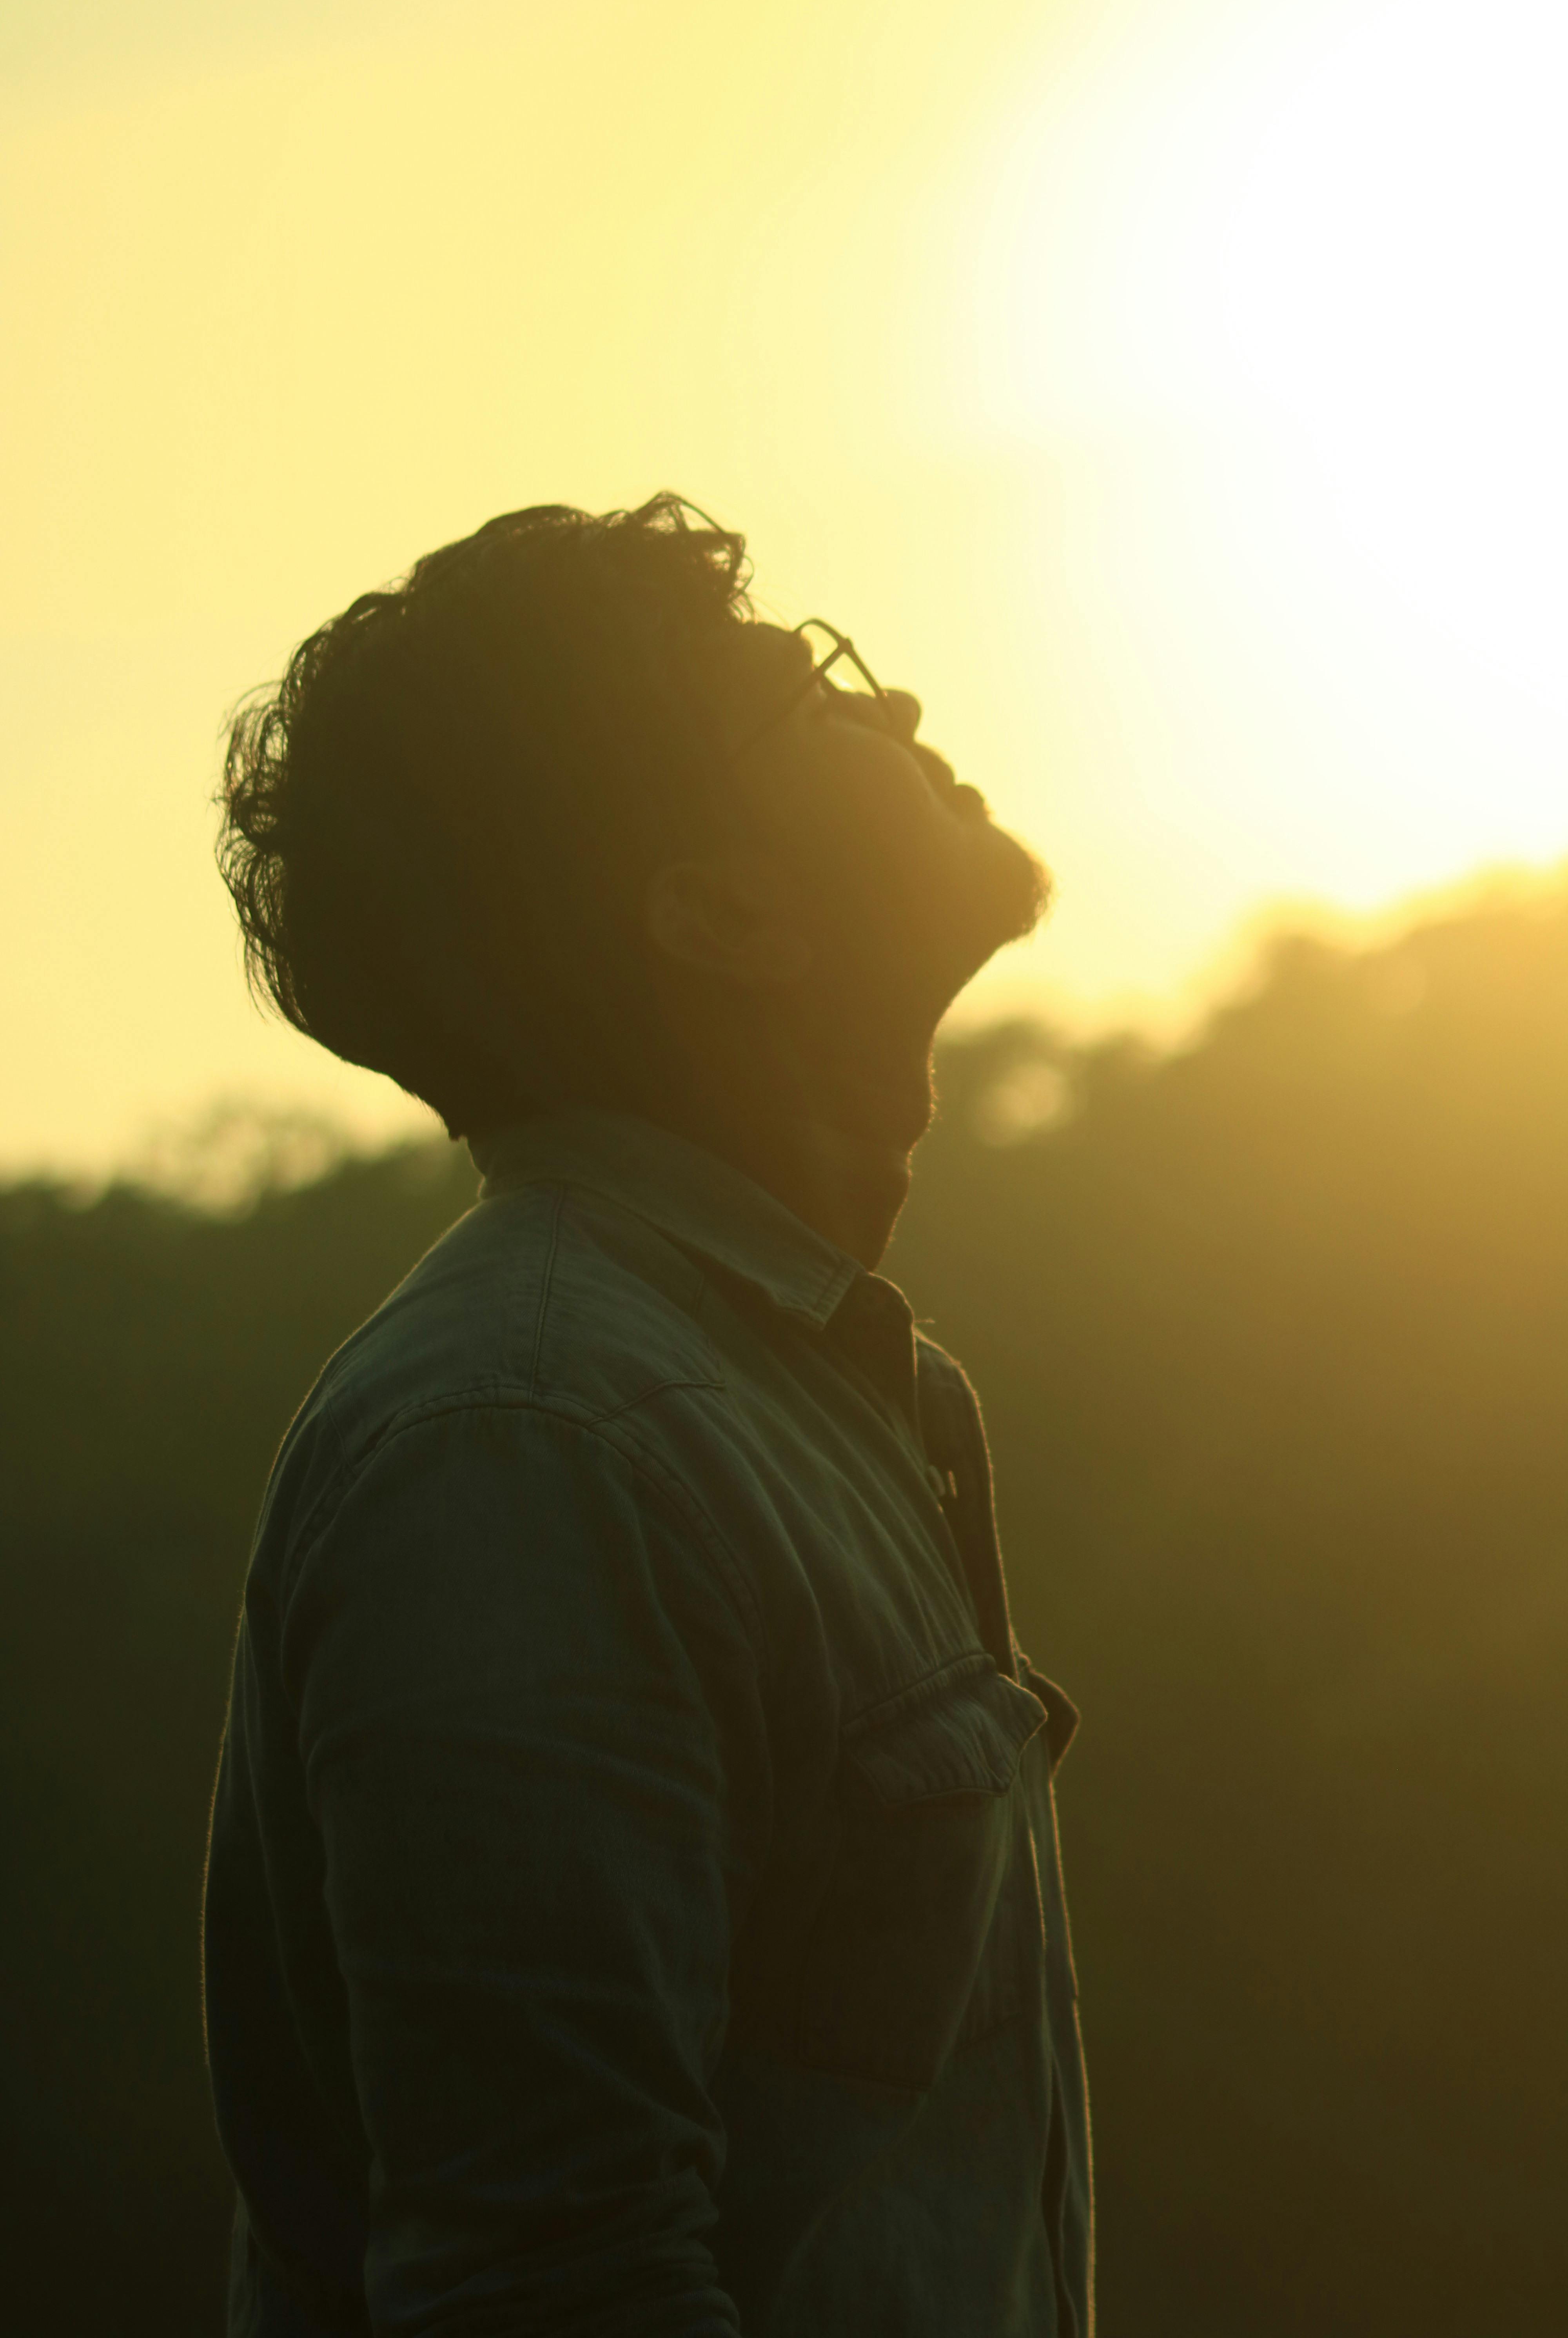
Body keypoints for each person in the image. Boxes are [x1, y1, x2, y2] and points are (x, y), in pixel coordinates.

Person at [203, 494, 1093, 2336]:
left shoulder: (795, 1390)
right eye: (814, 687)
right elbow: (551, 2281)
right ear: (723, 915)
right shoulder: (534, 1444)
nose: (901, 701)